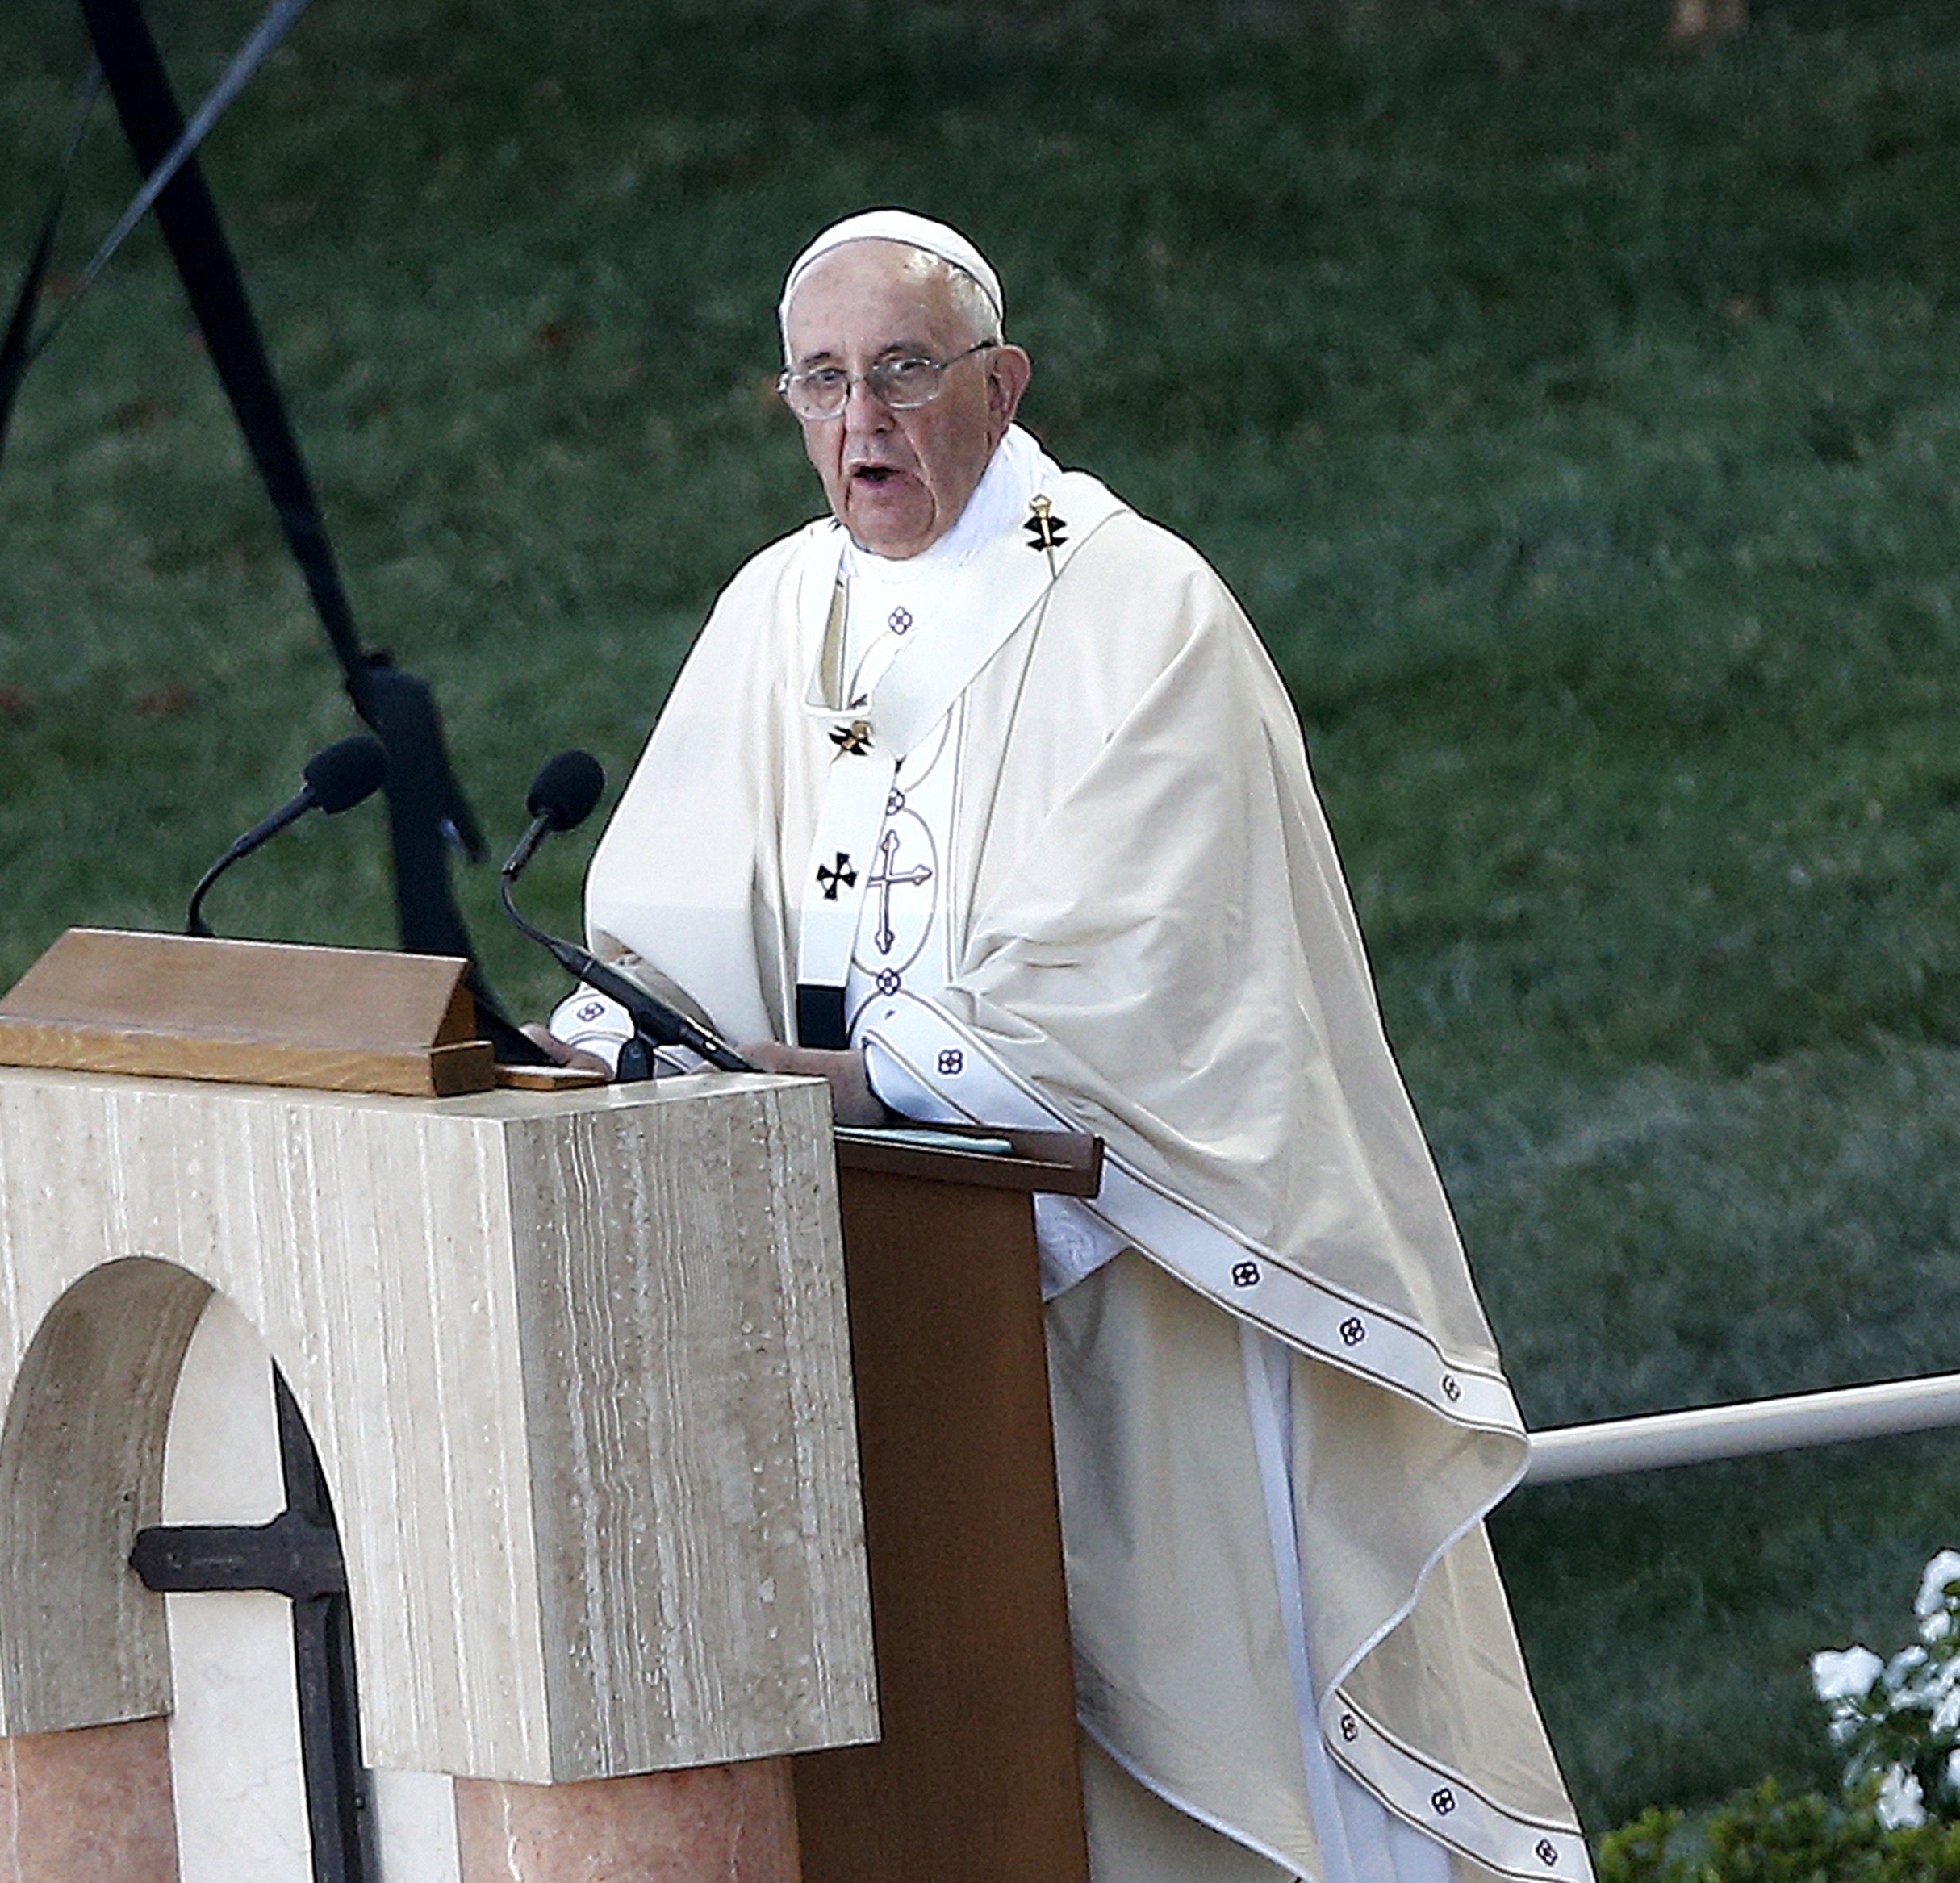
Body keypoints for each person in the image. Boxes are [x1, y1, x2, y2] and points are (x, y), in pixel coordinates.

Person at [548, 209, 1587, 1883]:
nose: (862, 424)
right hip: (865, 1284)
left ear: (1000, 379)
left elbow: (1171, 960)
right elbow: (663, 927)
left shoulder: (1133, 604)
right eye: (822, 384)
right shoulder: (771, 610)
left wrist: (878, 1077)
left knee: (1200, 1713)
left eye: (902, 373)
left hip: (1138, 1274)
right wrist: (607, 1044)